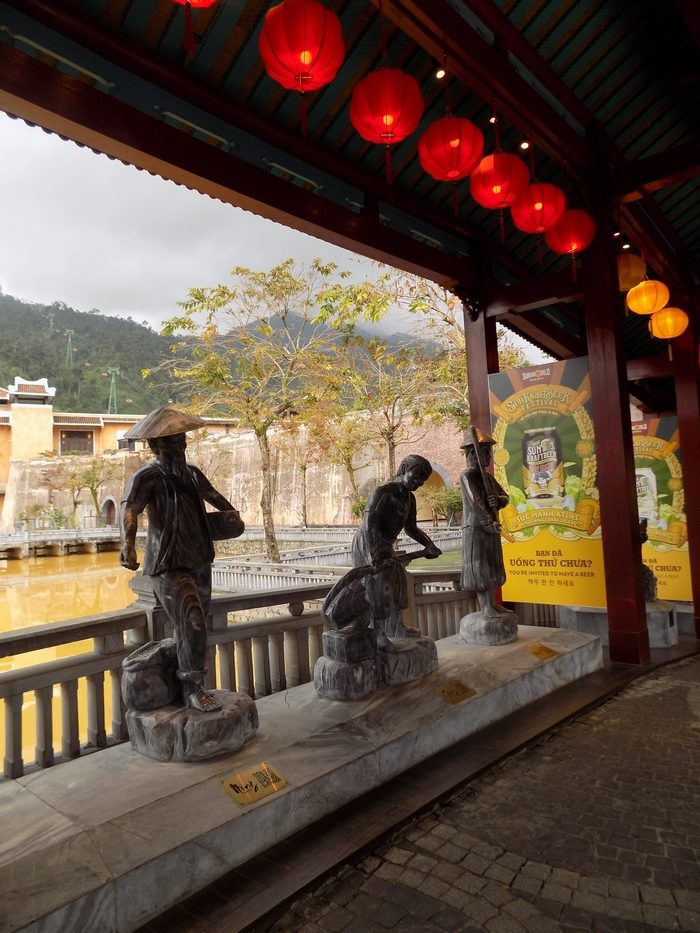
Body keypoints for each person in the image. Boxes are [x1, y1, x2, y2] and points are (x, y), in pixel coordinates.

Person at [119, 406, 241, 713]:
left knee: (195, 628)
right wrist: (128, 545)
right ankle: (192, 688)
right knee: (193, 623)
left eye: (182, 439)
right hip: (167, 562)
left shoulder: (193, 473)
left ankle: (185, 680)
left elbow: (215, 496)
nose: (181, 444)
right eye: (174, 440)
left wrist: (232, 516)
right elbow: (130, 510)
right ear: (156, 445)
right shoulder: (146, 477)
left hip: (199, 556)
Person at [352, 454, 442, 645]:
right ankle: (377, 634)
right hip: (368, 541)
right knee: (378, 586)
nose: (419, 483)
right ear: (404, 469)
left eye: (422, 481)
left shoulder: (410, 499)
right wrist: (372, 555)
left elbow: (411, 528)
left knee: (398, 582)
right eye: (416, 477)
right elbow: (370, 524)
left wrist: (429, 545)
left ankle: (396, 626)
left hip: (385, 544)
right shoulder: (382, 491)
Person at [459, 428, 510, 619]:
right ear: (473, 454)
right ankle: (485, 606)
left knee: (492, 564)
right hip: (477, 528)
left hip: (491, 527)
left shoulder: (487, 477)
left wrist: (498, 499)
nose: (489, 457)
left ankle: (492, 604)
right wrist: (489, 520)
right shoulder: (467, 476)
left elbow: (505, 497)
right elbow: (476, 502)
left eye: (489, 452)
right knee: (479, 566)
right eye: (485, 452)